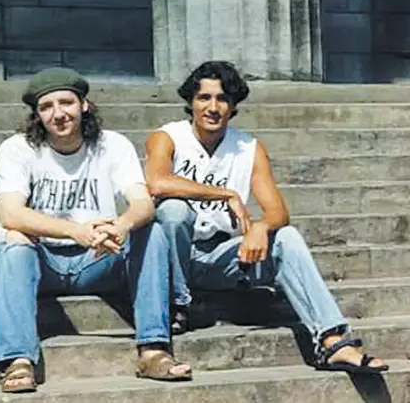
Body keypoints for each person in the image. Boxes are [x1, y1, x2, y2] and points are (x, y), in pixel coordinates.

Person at [144, 60, 389, 375]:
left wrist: (261, 227)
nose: (213, 107)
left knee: (286, 237)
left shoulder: (248, 147)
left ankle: (332, 340)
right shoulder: (168, 136)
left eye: (222, 99)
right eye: (204, 98)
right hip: (169, 257)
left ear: (233, 106)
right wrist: (226, 194)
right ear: (191, 102)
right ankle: (176, 305)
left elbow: (278, 211)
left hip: (218, 256)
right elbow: (157, 182)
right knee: (173, 210)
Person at [0, 67, 191, 393]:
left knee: (151, 232)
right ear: (37, 115)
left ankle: (153, 349)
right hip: (42, 263)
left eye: (66, 103)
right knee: (14, 237)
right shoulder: (18, 148)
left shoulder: (112, 144)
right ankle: (17, 360)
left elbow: (143, 203)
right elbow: (10, 213)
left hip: (98, 257)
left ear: (84, 105)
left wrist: (121, 225)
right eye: (46, 107)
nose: (58, 114)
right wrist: (75, 230)